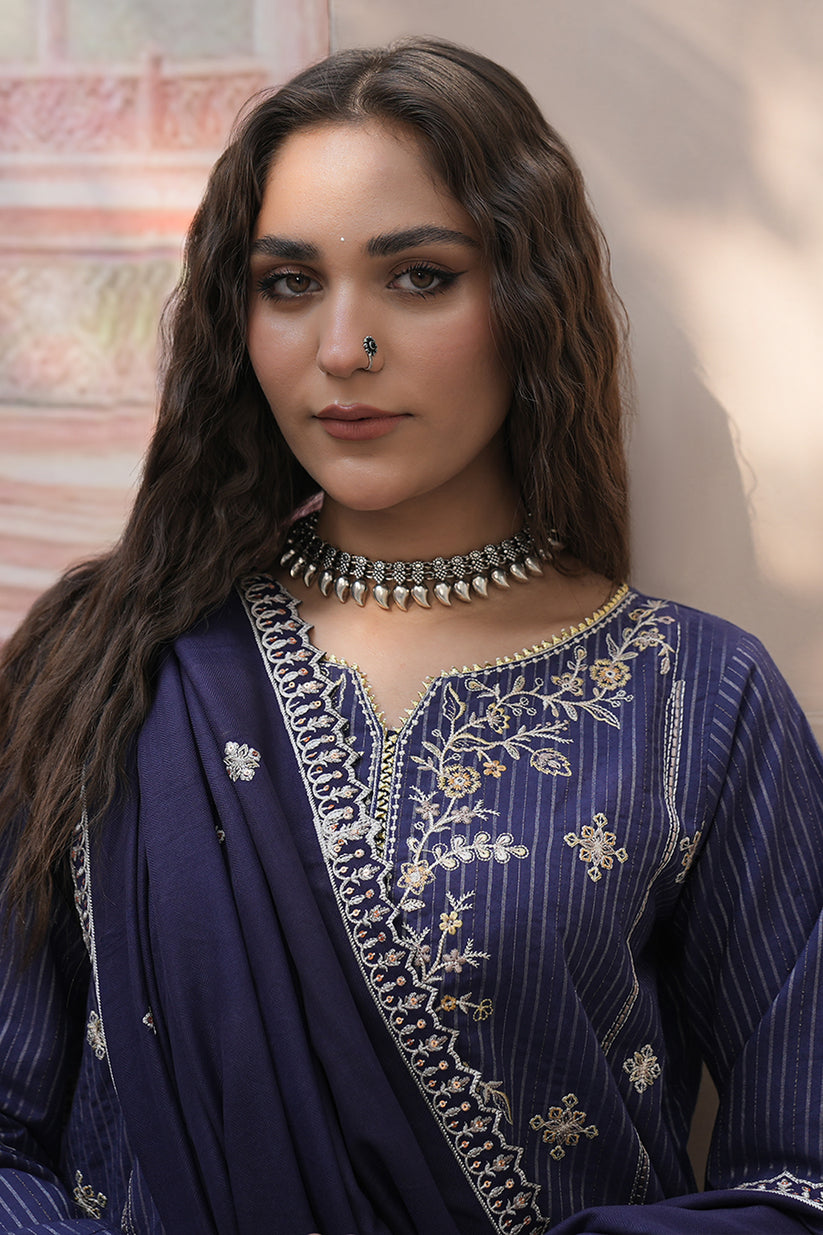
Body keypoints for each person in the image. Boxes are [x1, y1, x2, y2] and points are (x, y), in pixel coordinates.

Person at [0, 36, 821, 1235]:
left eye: (419, 276)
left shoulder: (695, 696)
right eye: (288, 283)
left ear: (527, 300)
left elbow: (801, 1176)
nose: (343, 347)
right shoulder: (111, 659)